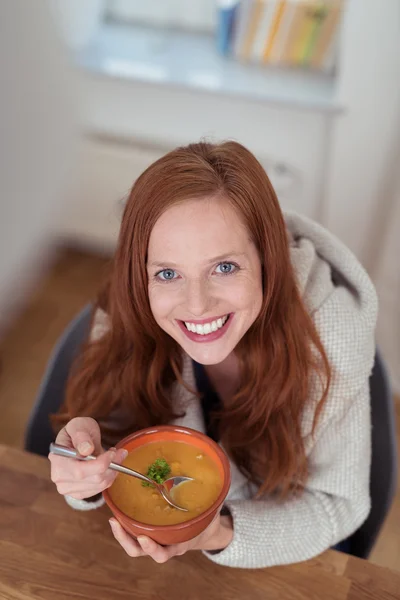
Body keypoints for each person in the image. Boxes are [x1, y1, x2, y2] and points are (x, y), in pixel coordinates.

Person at [48, 141, 378, 568]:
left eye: (224, 267)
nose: (197, 305)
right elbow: (107, 443)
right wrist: (85, 471)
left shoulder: (332, 336)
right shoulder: (130, 309)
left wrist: (218, 532)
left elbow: (338, 504)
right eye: (168, 273)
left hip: (289, 564)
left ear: (267, 258)